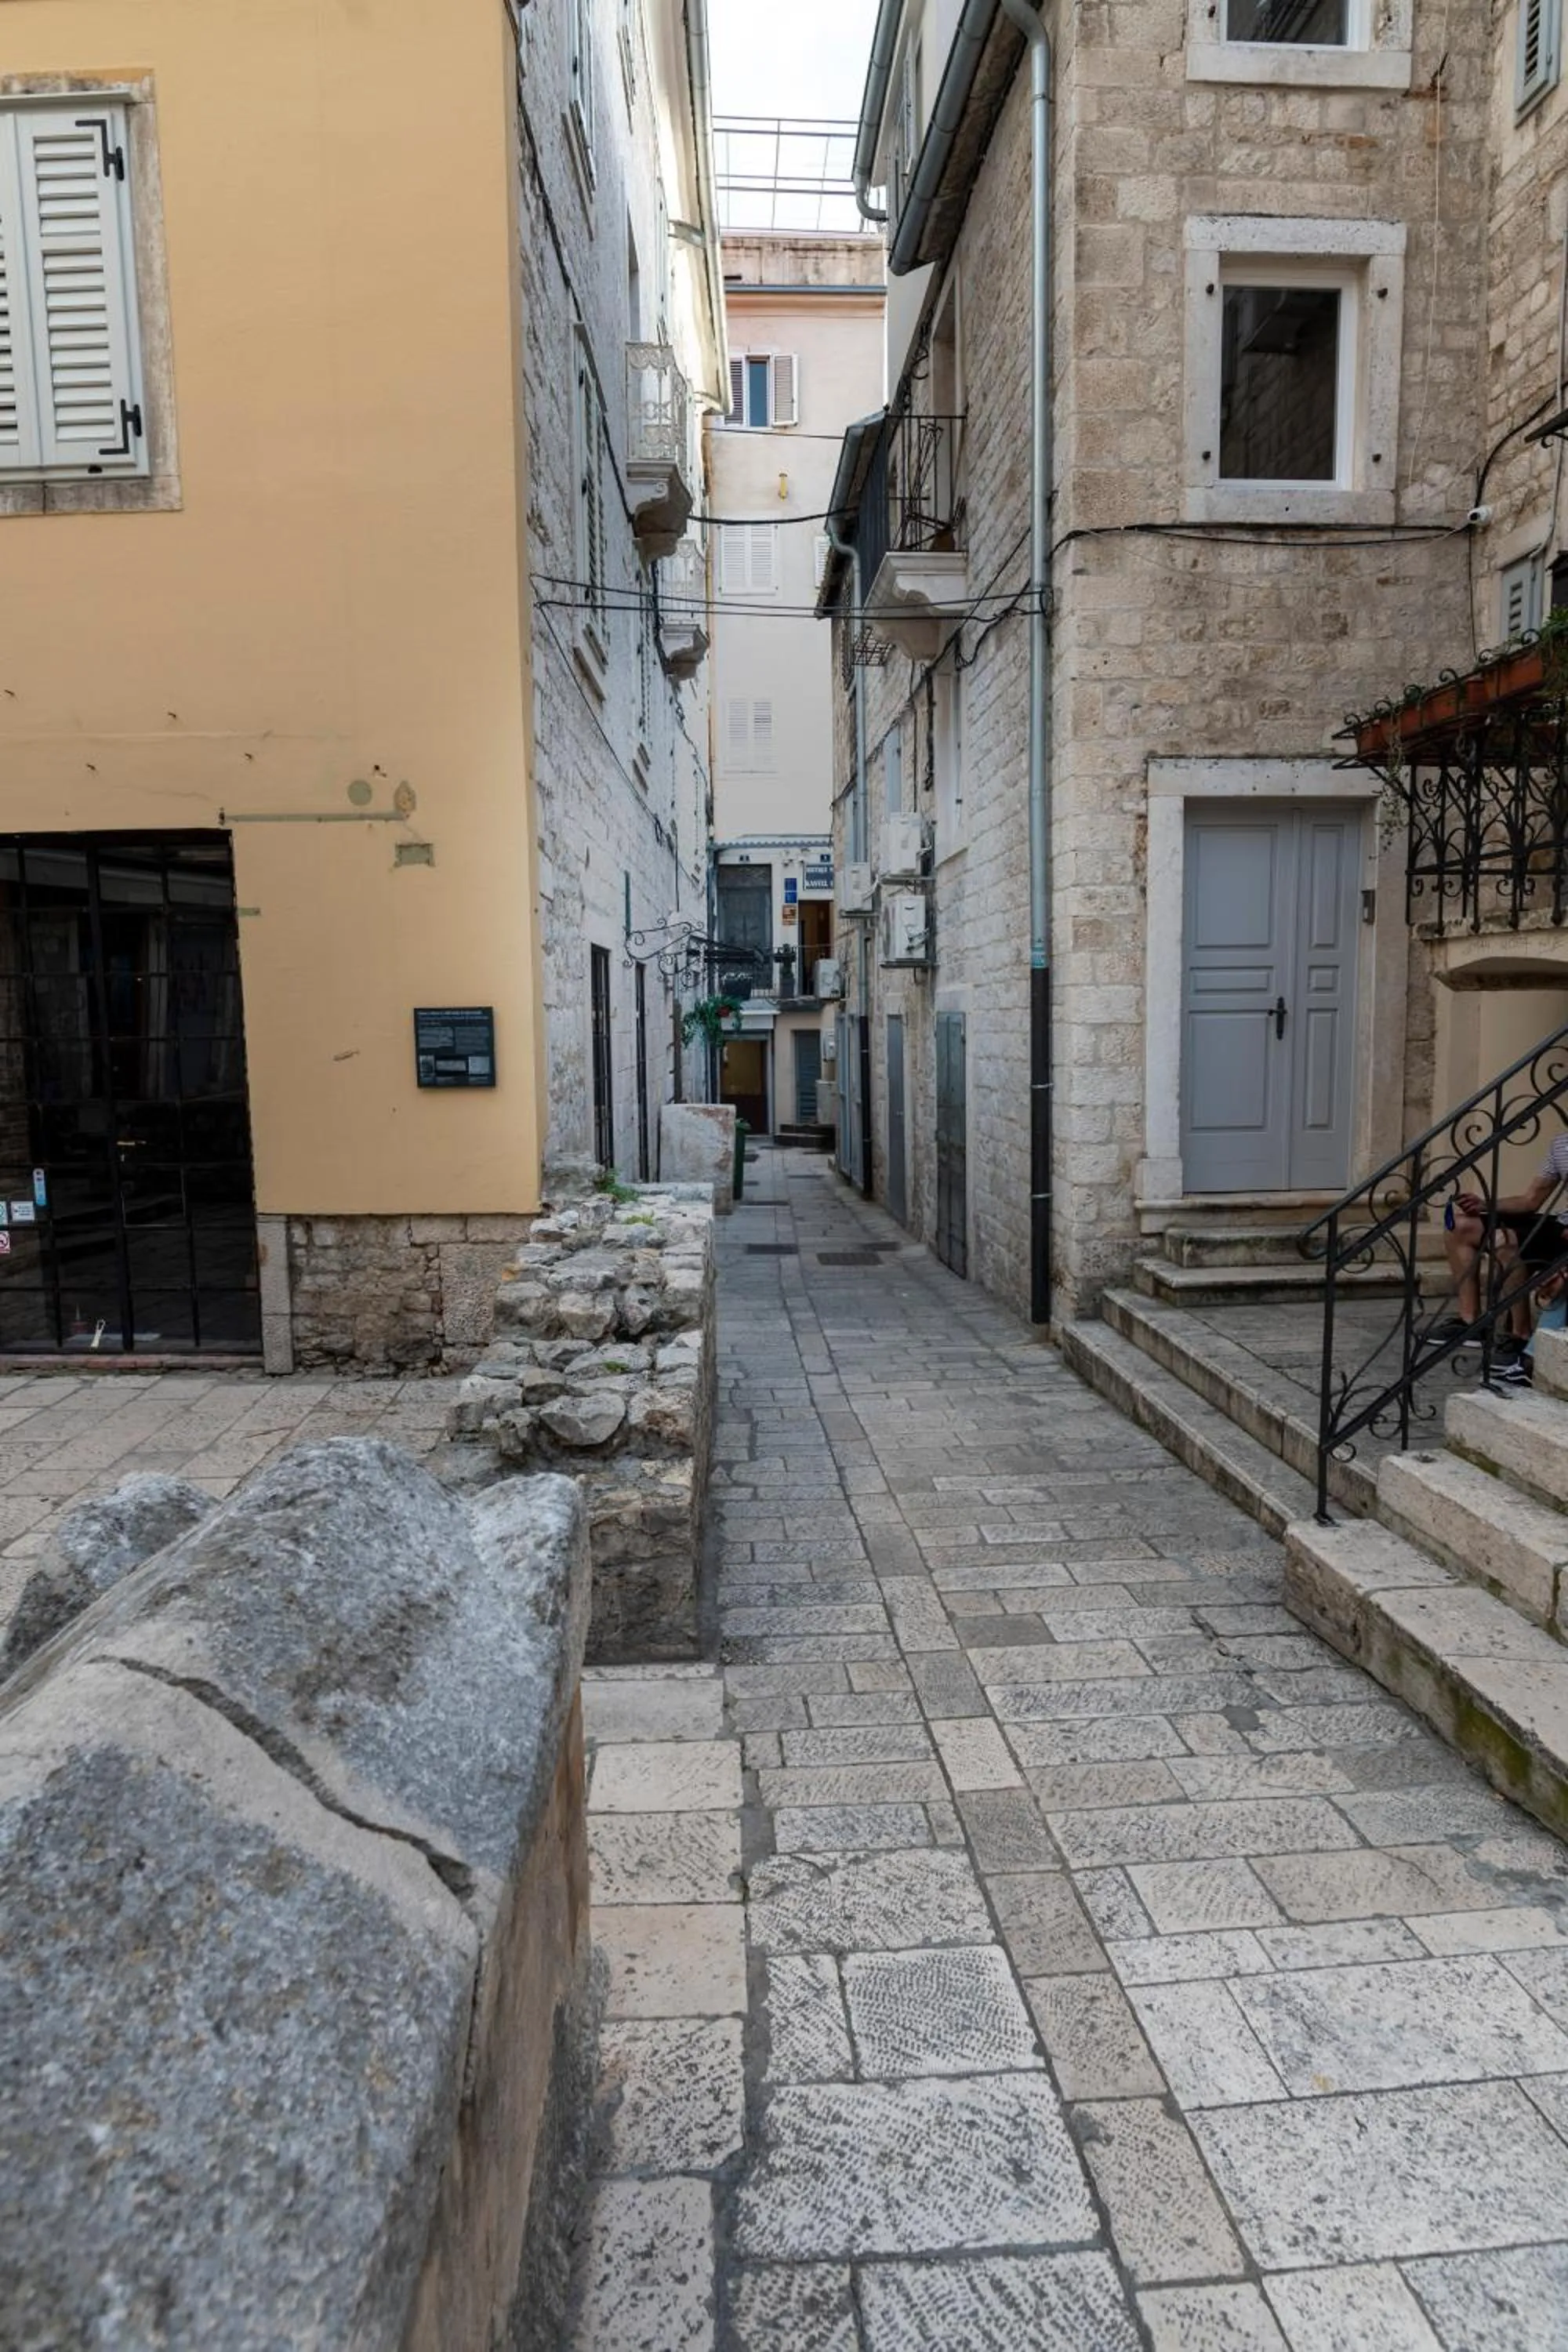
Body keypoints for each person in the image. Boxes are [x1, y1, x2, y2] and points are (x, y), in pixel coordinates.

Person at [1434, 1131, 1568, 1385]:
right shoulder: (1561, 1143)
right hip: (1561, 1226)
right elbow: (1530, 1200)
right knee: (1466, 1228)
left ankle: (1521, 1339)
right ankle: (1471, 1322)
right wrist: (1484, 1204)